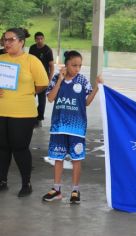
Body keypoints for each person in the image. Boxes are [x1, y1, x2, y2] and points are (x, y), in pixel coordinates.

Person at [42, 51, 103, 203]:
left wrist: (97, 86)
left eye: (79, 66)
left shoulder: (82, 80)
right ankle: (56, 189)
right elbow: (50, 98)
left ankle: (75, 190)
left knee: (76, 159)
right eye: (73, 65)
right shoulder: (57, 78)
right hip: (58, 127)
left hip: (77, 128)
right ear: (66, 64)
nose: (77, 68)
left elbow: (87, 102)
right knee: (58, 158)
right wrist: (60, 80)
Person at [0, 28, 48, 196]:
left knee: (20, 148)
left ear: (21, 42)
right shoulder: (1, 59)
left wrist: (27, 91)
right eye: (4, 39)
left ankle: (26, 183)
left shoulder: (31, 60)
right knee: (2, 148)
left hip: (23, 113)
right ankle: (2, 180)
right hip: (1, 111)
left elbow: (42, 83)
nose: (6, 43)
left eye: (11, 40)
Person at [29, 32, 55, 127]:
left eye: (41, 38)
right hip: (32, 78)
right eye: (38, 39)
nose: (39, 40)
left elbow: (51, 66)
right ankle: (30, 116)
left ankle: (39, 118)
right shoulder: (32, 48)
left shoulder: (47, 50)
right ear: (35, 39)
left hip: (43, 78)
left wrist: (49, 79)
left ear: (44, 39)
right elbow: (29, 62)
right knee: (30, 97)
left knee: (41, 99)